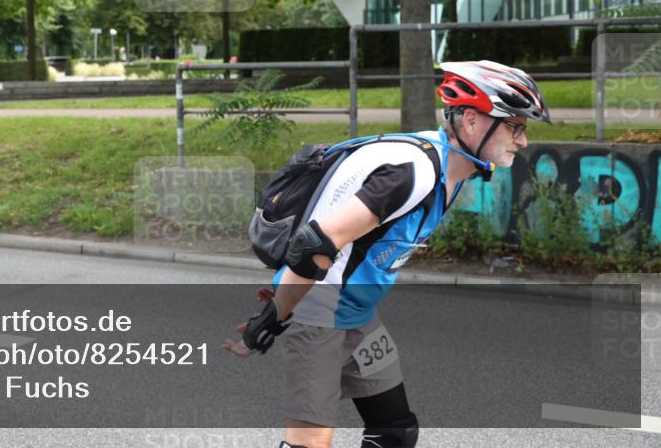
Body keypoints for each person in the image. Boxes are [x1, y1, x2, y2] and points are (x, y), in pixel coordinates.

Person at [223, 60, 552, 448]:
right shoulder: (413, 173)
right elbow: (314, 246)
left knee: (394, 432)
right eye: (514, 126)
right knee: (310, 444)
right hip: (318, 314)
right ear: (472, 120)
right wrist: (274, 317)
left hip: (357, 315)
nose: (522, 141)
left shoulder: (449, 166)